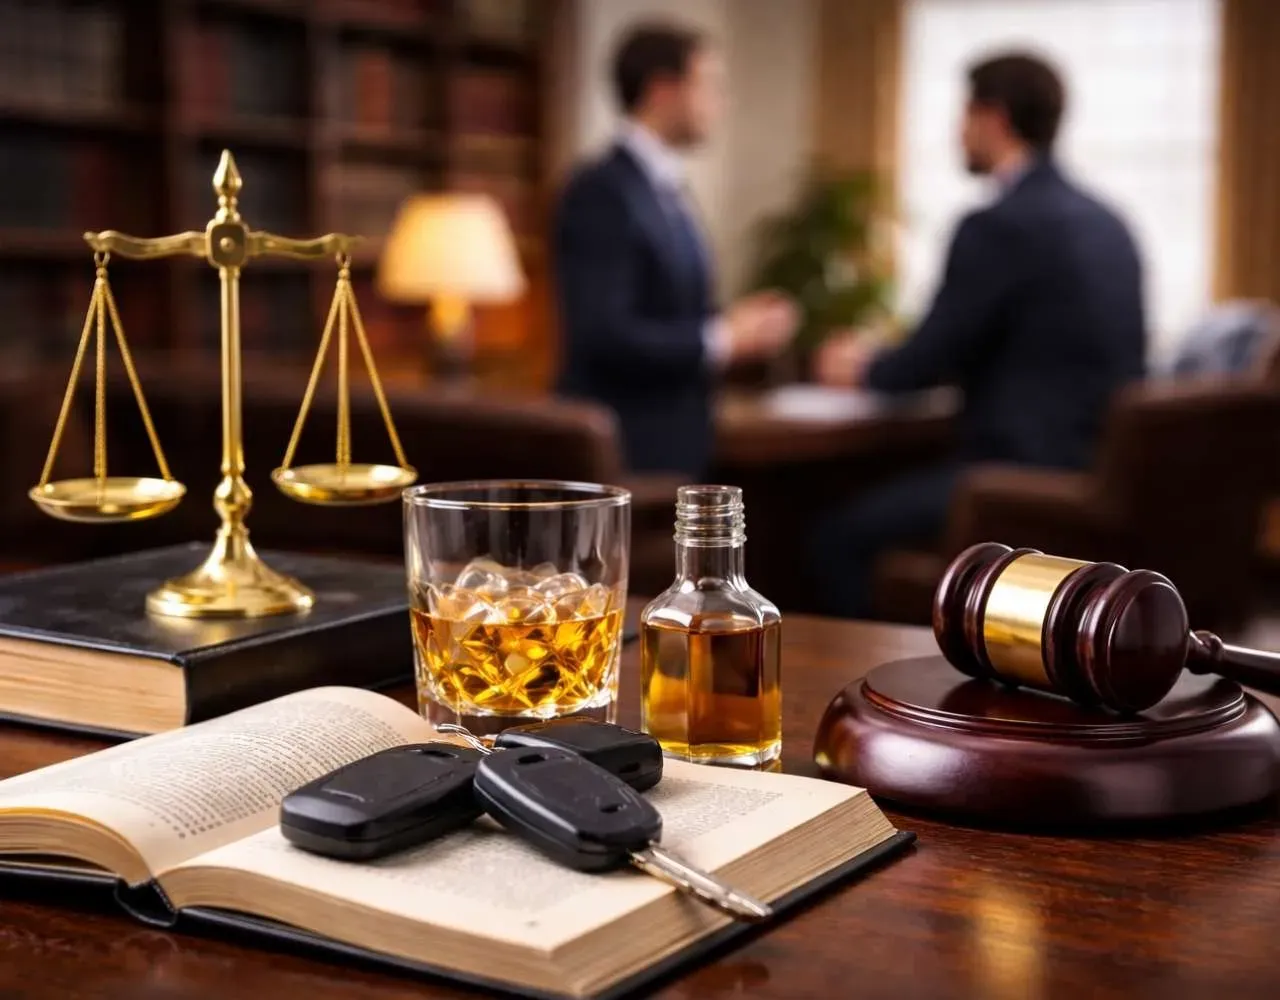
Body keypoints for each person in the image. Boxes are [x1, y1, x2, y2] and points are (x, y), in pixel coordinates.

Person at [809, 52, 1146, 619]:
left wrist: (858, 366)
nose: (958, 132)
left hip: (1014, 482)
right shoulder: (1110, 223)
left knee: (830, 538)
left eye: (964, 114)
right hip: (1099, 481)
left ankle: (867, 696)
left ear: (994, 117)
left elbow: (925, 361)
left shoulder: (998, 225)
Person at [552, 23, 798, 476]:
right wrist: (724, 339)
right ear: (664, 89)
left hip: (679, 444)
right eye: (710, 85)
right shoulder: (602, 190)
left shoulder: (666, 187)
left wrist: (739, 325)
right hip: (629, 456)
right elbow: (605, 332)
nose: (722, 103)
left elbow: (669, 306)